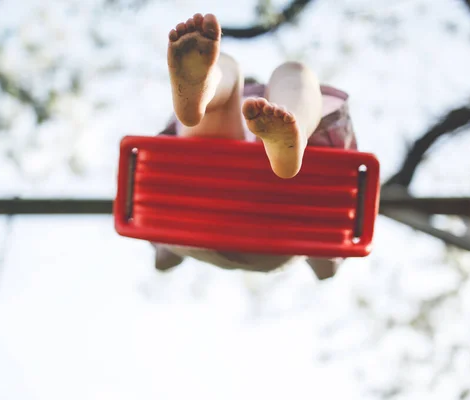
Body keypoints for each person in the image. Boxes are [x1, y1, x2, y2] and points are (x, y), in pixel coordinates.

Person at [153, 13, 357, 275]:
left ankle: (212, 86)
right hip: (285, 228)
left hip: (200, 222)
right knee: (295, 73)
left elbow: (163, 260)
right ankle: (293, 133)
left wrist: (164, 249)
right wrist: (324, 261)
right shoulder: (268, 105)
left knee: (227, 72)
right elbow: (326, 268)